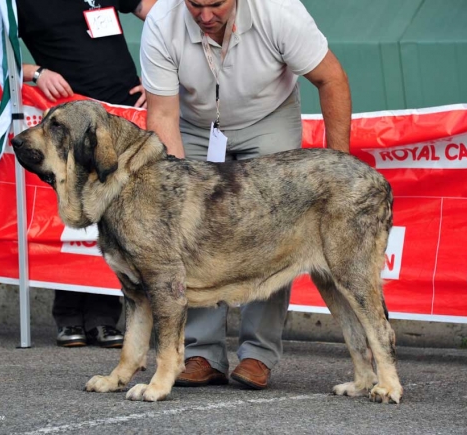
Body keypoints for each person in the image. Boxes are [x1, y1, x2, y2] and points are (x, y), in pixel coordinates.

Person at [140, 0, 351, 389]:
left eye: (215, 4)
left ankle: (257, 354)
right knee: (193, 228)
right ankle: (201, 351)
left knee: (276, 230)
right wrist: (175, 198)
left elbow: (331, 79)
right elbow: (163, 116)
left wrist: (339, 172)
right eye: (195, 5)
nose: (205, 16)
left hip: (267, 115)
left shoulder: (280, 11)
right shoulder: (160, 21)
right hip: (195, 123)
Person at [0, 0, 156, 348]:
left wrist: (157, 77)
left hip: (121, 120)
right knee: (71, 215)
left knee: (118, 219)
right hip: (68, 128)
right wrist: (36, 73)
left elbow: (163, 16)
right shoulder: (16, 3)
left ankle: (105, 318)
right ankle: (69, 315)